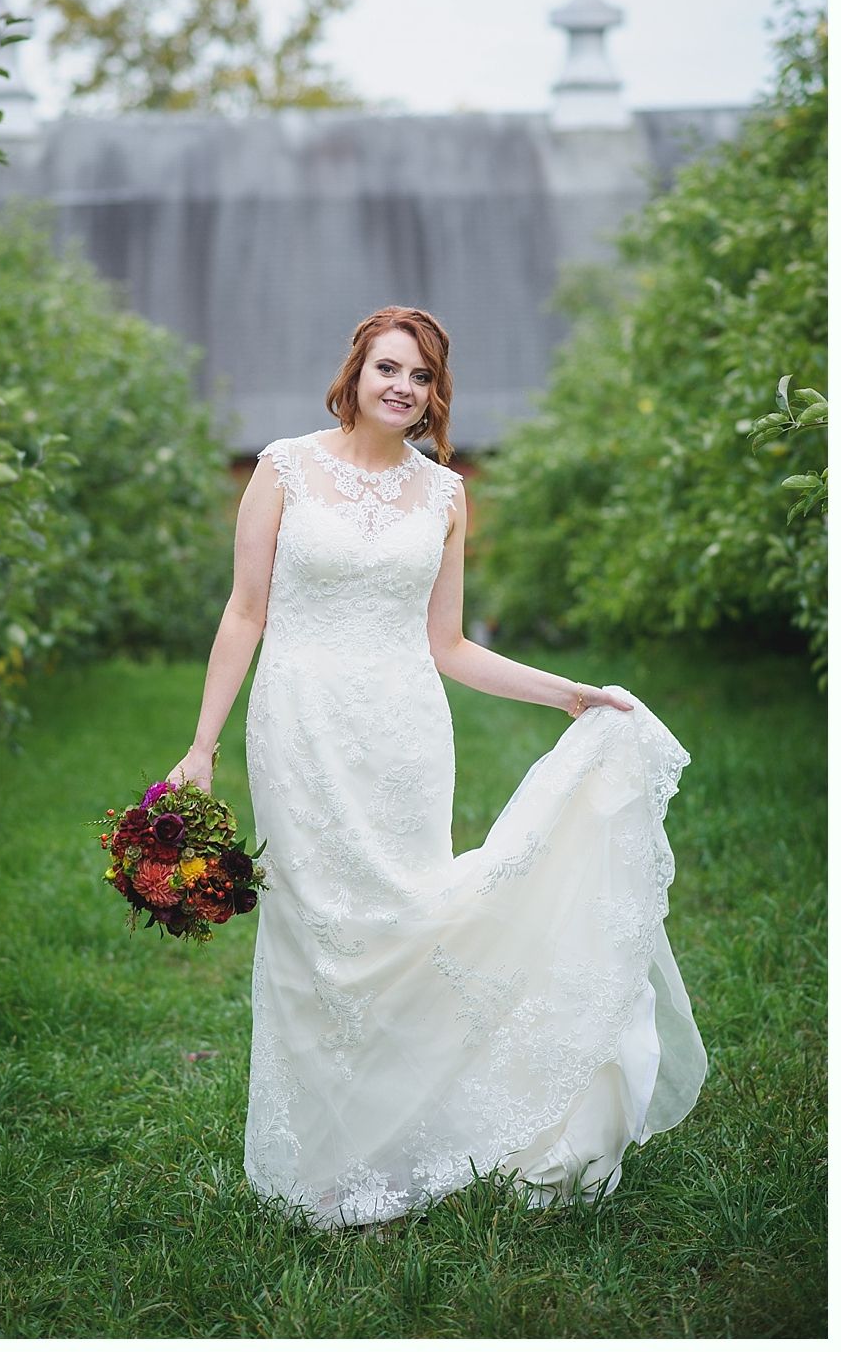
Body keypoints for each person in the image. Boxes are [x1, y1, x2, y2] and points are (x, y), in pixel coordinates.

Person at [166, 305, 707, 1231]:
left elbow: (449, 643)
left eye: (419, 376)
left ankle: (403, 1139)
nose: (401, 387)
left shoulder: (446, 495)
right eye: (387, 367)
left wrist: (566, 692)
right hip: (299, 724)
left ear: (433, 393)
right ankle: (326, 1163)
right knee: (315, 939)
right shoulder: (283, 468)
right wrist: (201, 745)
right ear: (356, 370)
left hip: (405, 734)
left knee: (408, 921)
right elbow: (244, 614)